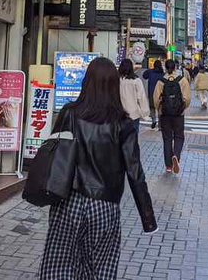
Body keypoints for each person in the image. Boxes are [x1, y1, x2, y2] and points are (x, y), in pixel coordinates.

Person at [39, 57, 157, 279]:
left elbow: (53, 153)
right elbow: (135, 171)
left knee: (59, 267)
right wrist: (148, 218)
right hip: (105, 206)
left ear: (87, 82)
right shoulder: (123, 123)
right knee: (101, 269)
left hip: (67, 202)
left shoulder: (69, 114)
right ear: (114, 86)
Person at [153, 59, 191, 173]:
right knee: (179, 136)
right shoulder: (182, 80)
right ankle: (176, 155)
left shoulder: (161, 81)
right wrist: (182, 107)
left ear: (165, 68)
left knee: (167, 138)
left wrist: (159, 109)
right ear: (175, 68)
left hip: (165, 115)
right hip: (179, 114)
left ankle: (169, 166)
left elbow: (156, 99)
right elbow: (187, 98)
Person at [118, 59, 150, 129]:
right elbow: (141, 97)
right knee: (133, 137)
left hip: (119, 113)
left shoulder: (116, 80)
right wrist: (145, 113)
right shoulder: (136, 80)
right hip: (133, 113)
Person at [143, 60, 165, 129]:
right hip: (160, 94)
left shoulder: (150, 72)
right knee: (160, 109)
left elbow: (144, 76)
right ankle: (160, 125)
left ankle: (154, 120)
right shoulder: (163, 74)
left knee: (152, 107)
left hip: (151, 93)